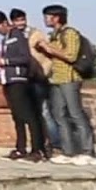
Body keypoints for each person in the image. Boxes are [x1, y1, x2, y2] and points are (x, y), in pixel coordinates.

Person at [35, 3, 96, 166]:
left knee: (76, 114)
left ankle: (88, 151)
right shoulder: (55, 35)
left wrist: (49, 49)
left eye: (48, 17)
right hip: (56, 78)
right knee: (59, 115)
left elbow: (70, 56)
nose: (46, 20)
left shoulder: (69, 33)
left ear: (56, 17)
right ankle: (68, 151)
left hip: (70, 78)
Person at [0, 9, 47, 161]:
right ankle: (21, 148)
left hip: (19, 80)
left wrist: (4, 62)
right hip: (8, 79)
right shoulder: (5, 39)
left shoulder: (17, 36)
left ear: (4, 23)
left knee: (29, 116)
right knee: (17, 117)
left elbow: (25, 58)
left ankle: (37, 149)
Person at [10, 8, 60, 155]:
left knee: (44, 112)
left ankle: (55, 144)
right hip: (25, 79)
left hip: (38, 78)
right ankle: (39, 146)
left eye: (22, 19)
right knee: (32, 114)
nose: (20, 23)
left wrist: (43, 73)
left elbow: (47, 55)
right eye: (17, 20)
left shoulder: (35, 35)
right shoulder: (13, 36)